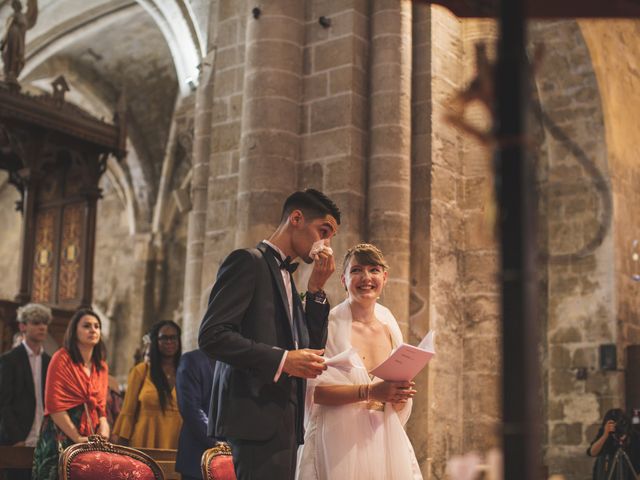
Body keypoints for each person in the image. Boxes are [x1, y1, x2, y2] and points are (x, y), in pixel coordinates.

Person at [198, 188, 340, 480]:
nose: (325, 244)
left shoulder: (287, 276)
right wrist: (283, 359)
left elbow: (312, 346)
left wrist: (315, 291)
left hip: (285, 418)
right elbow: (212, 335)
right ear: (297, 218)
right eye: (323, 231)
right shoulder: (248, 261)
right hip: (254, 415)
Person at [296, 243, 422, 480]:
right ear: (344, 280)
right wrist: (370, 391)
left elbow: (390, 394)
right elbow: (314, 394)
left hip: (383, 438)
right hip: (338, 443)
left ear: (384, 278)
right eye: (356, 270)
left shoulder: (390, 326)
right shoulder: (328, 325)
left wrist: (399, 395)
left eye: (374, 270)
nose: (366, 277)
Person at [31, 309, 109, 480]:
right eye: (87, 326)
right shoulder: (61, 358)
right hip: (61, 432)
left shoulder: (101, 366)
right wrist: (77, 438)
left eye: (97, 326)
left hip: (90, 436)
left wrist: (104, 425)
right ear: (74, 331)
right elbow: (54, 405)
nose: (93, 330)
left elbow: (100, 407)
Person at [0, 304, 52, 480]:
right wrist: (16, 438)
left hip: (43, 439)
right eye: (36, 322)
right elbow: (4, 403)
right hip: (18, 438)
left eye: (45, 323)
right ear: (23, 326)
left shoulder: (49, 361)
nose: (42, 327)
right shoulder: (9, 360)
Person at [113, 320, 182, 449]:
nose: (169, 342)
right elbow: (128, 411)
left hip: (176, 443)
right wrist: (122, 447)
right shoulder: (141, 371)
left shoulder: (185, 372)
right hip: (144, 441)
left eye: (173, 337)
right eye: (164, 338)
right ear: (156, 341)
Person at [175, 349, 216, 480]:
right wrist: (218, 443)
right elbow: (190, 408)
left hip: (233, 456)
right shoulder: (192, 360)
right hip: (198, 452)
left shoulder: (238, 360)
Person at [588, 408, 640, 480]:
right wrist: (605, 435)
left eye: (623, 434)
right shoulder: (606, 434)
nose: (621, 438)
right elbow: (592, 452)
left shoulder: (635, 437)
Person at [0, 0, 37, 84]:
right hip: (12, 36)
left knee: (16, 54)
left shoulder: (22, 16)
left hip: (18, 39)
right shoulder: (13, 16)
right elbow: (8, 28)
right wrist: (4, 41)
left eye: (19, 5)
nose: (18, 6)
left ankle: (12, 71)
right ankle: (9, 71)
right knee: (10, 53)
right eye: (16, 5)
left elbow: (27, 23)